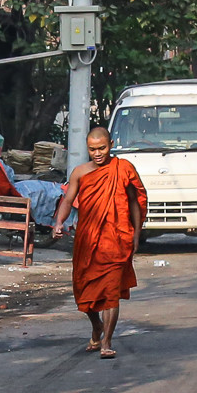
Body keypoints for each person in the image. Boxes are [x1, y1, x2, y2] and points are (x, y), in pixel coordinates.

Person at [52, 126, 147, 360]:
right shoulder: (80, 173)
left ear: (111, 144)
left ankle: (106, 341)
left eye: (102, 148)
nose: (97, 153)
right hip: (88, 239)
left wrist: (136, 233)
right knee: (84, 291)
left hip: (117, 238)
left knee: (111, 291)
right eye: (92, 149)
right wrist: (59, 222)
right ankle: (96, 326)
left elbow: (134, 201)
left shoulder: (123, 169)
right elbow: (68, 199)